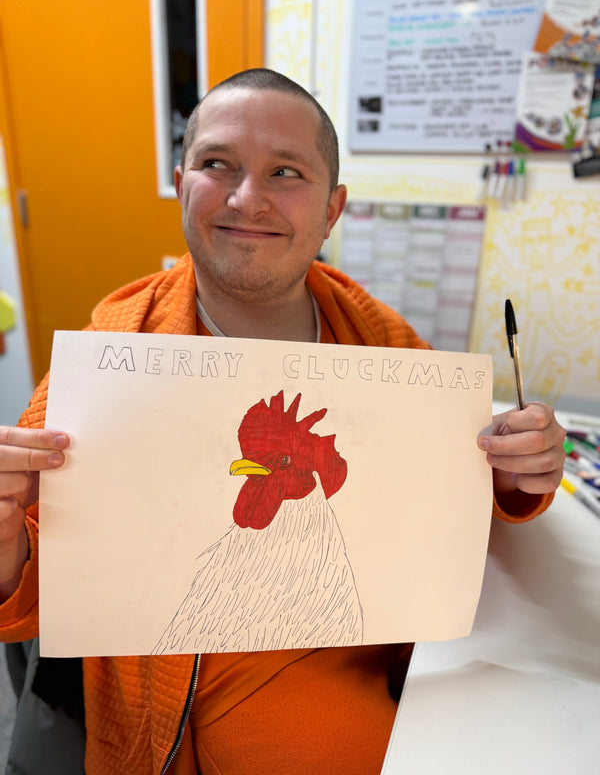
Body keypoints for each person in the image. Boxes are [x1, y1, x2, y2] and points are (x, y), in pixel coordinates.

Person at [0, 68, 565, 775]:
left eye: (285, 172)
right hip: (179, 678)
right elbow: (29, 599)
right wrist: (7, 550)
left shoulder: (381, 342)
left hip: (345, 656)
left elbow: (455, 495)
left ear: (332, 211)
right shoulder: (111, 360)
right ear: (182, 183)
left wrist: (520, 469)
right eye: (217, 164)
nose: (247, 197)